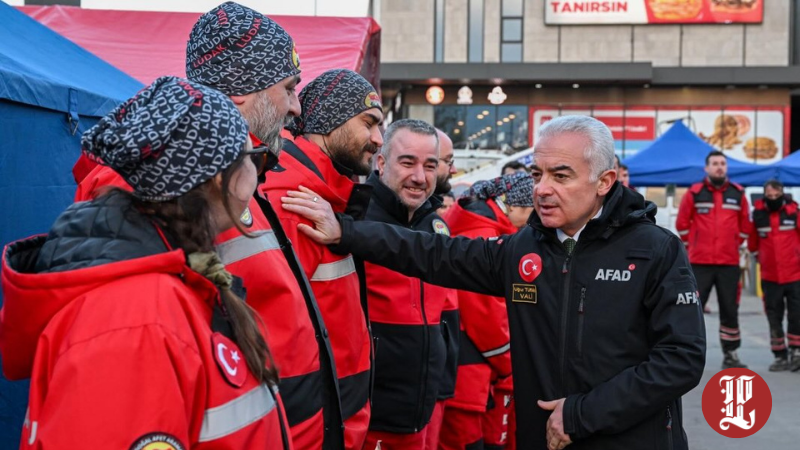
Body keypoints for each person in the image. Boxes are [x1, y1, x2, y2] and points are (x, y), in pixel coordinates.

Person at [282, 115, 706, 450]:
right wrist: (346, 231)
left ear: (604, 182)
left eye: (560, 176)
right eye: (537, 174)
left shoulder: (656, 250)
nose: (541, 189)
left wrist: (581, 414)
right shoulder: (526, 248)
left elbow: (681, 359)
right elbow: (434, 254)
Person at [74, 4, 344, 450]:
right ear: (242, 92)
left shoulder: (237, 171)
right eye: (289, 88)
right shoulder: (163, 182)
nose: (297, 108)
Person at [0, 77, 292, 448]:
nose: (259, 174)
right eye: (256, 160)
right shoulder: (135, 323)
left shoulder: (178, 281)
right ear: (220, 178)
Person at [262, 68, 383, 450]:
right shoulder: (290, 199)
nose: (379, 139)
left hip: (337, 420)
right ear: (330, 120)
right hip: (314, 428)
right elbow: (277, 344)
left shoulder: (326, 195)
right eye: (369, 123)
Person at [334, 119, 450, 450]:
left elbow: (447, 318)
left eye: (430, 165)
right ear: (381, 162)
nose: (419, 176)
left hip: (423, 410)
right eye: (407, 162)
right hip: (368, 416)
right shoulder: (351, 219)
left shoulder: (436, 225)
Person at [439, 172, 534, 450]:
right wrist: (510, 360)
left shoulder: (482, 227)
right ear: (513, 206)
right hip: (472, 371)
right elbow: (485, 312)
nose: (532, 219)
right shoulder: (482, 235)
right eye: (531, 211)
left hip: (472, 366)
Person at [676, 150, 750, 369]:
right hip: (700, 263)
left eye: (722, 163)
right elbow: (682, 223)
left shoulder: (738, 194)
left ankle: (731, 354)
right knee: (691, 308)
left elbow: (746, 226)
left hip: (729, 263)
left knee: (730, 308)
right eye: (715, 163)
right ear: (706, 168)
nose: (719, 167)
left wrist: (734, 244)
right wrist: (694, 246)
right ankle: (685, 355)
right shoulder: (695, 193)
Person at [748, 179, 800, 372]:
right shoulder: (759, 214)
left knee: (796, 315)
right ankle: (780, 355)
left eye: (776, 196)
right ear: (764, 195)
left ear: (782, 194)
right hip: (770, 276)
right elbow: (753, 242)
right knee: (774, 316)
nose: (773, 199)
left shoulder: (794, 212)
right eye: (769, 196)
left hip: (795, 274)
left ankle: (796, 352)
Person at [432, 128, 460, 446]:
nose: (452, 170)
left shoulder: (434, 222)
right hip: (394, 400)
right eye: (446, 161)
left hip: (436, 382)